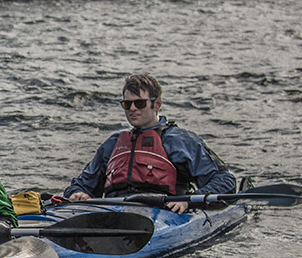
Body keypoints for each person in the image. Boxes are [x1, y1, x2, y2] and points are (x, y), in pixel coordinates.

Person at [63, 74, 235, 214]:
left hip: (165, 213)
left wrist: (189, 201)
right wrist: (78, 194)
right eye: (127, 104)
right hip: (116, 214)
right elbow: (81, 184)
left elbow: (224, 180)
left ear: (156, 104)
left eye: (140, 103)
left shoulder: (180, 141)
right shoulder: (113, 144)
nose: (132, 109)